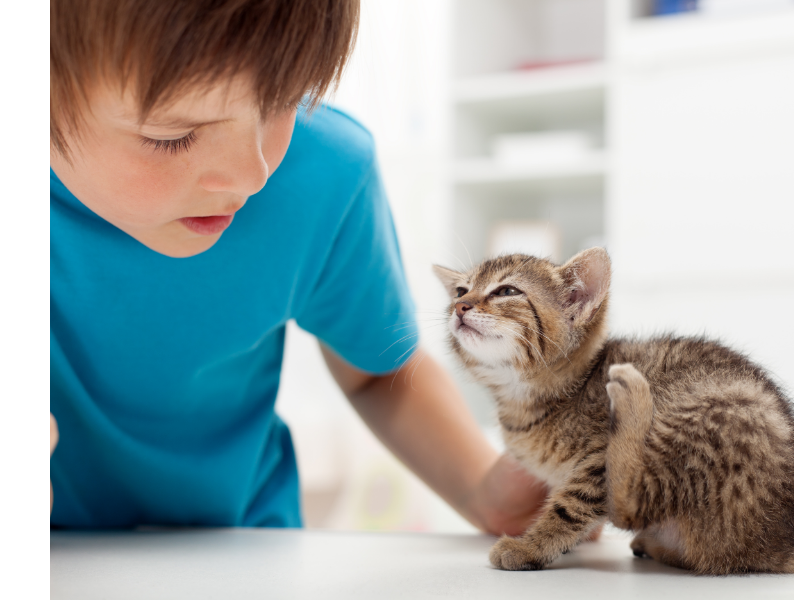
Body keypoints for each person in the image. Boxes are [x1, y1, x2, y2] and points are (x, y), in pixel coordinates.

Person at [49, 0, 547, 534]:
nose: (252, 174)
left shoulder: (326, 173)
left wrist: (483, 491)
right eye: (173, 136)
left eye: (283, 102)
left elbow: (375, 374)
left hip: (246, 549)